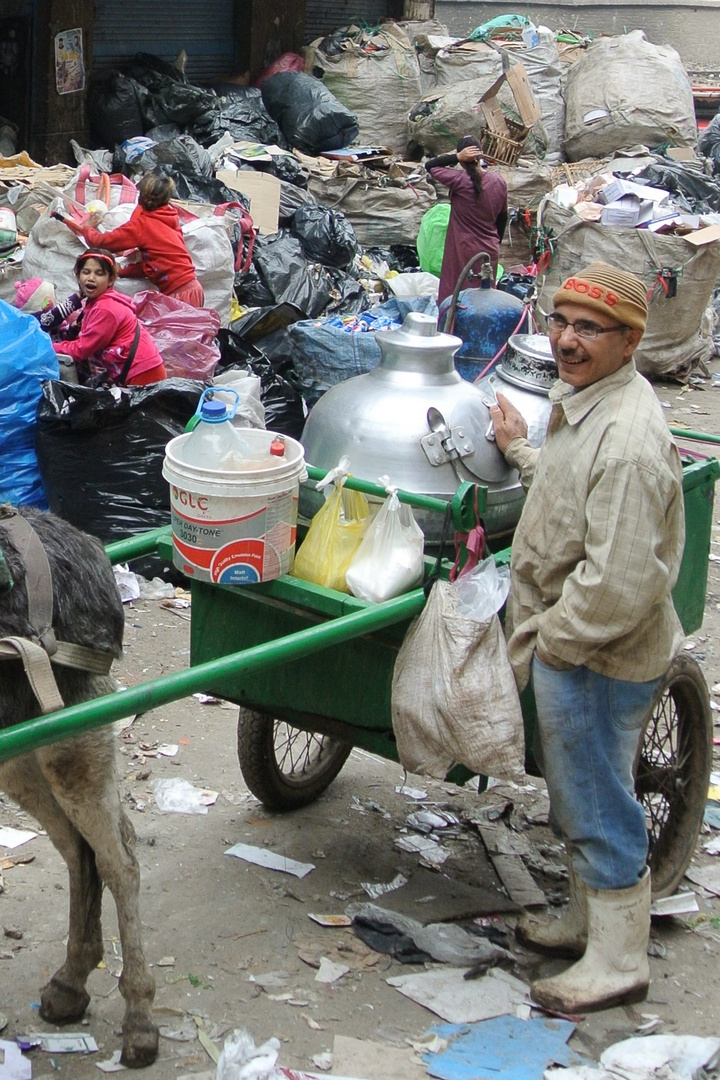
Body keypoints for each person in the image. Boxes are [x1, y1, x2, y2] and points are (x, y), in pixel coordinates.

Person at [488, 262, 685, 1014]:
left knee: (599, 801)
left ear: (630, 342)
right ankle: (585, 923)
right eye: (561, 322)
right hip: (574, 644)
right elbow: (567, 493)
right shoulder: (588, 404)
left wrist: (548, 643)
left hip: (596, 654)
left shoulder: (631, 440)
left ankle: (618, 961)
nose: (567, 341)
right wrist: (518, 448)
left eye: (589, 329)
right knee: (577, 796)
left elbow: (618, 586)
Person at [67, 170, 205, 308]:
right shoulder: (170, 217)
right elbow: (155, 264)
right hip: (194, 288)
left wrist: (87, 228)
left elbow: (102, 242)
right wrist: (123, 270)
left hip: (179, 294)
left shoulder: (143, 225)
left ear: (141, 196)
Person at [53, 251, 167, 387]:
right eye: (86, 272)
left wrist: (48, 346)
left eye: (99, 273)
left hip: (143, 373)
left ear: (111, 279)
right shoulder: (97, 302)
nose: (91, 278)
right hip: (139, 368)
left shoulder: (105, 309)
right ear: (78, 276)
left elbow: (82, 349)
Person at [425, 136, 508, 305]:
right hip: (489, 249)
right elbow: (502, 218)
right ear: (481, 156)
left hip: (461, 249)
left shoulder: (459, 180)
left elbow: (430, 166)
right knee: (484, 300)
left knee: (456, 297)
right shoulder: (499, 181)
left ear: (463, 159)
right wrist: (495, 242)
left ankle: (452, 330)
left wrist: (456, 157)